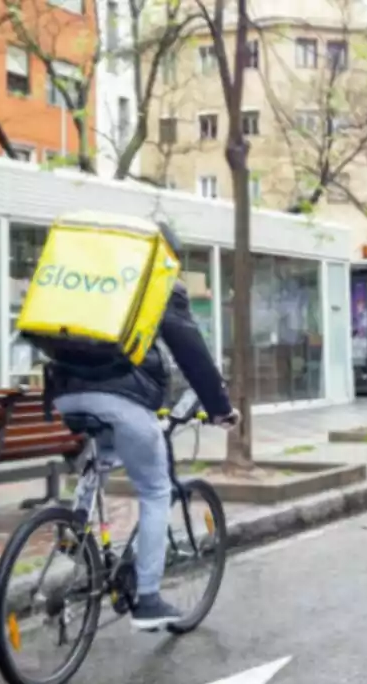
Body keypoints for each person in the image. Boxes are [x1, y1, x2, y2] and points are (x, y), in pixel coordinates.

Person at [47, 221, 240, 632]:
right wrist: (219, 408)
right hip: (122, 400)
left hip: (67, 394)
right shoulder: (160, 283)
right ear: (166, 256)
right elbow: (192, 354)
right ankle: (148, 600)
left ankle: (75, 535)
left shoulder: (100, 280)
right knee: (156, 490)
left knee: (106, 453)